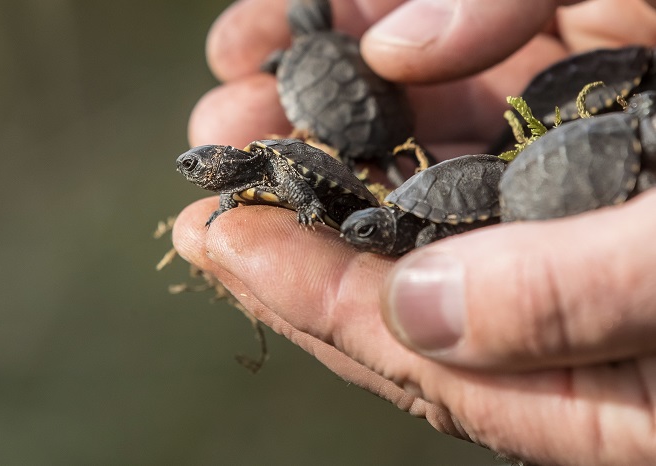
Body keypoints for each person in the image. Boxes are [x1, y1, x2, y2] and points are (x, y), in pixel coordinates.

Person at [173, 1, 656, 464]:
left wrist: (307, 204)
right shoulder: (248, 179)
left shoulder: (275, 161)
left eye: (196, 162)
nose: (190, 168)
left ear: (222, 157)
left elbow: (302, 181)